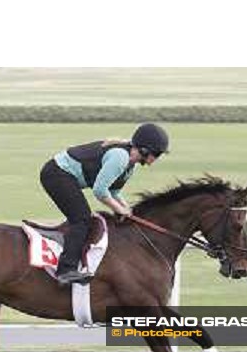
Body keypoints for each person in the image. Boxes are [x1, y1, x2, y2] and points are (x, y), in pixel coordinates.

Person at [40, 122, 169, 285]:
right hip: (56, 174)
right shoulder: (120, 158)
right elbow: (100, 191)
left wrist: (126, 208)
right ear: (145, 150)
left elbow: (113, 192)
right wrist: (119, 210)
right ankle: (65, 270)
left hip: (63, 175)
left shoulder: (130, 166)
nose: (157, 159)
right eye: (157, 154)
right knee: (82, 219)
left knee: (83, 218)